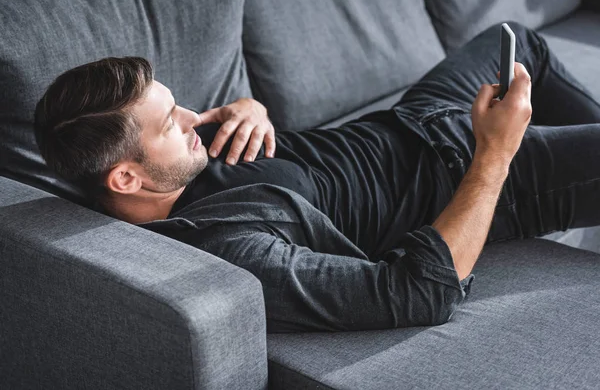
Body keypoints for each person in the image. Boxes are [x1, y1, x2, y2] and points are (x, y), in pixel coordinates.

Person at [34, 22, 600, 333]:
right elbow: (418, 293)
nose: (189, 119)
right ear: (125, 179)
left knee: (520, 40)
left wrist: (250, 105)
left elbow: (219, 124)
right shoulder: (227, 247)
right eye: (169, 120)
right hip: (471, 174)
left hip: (413, 116)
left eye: (178, 103)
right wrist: (496, 154)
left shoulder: (174, 158)